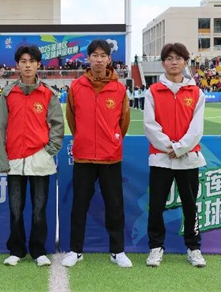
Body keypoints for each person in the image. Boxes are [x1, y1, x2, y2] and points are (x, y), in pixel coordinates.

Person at [61, 40, 132, 268]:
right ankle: (76, 250)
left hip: (110, 156)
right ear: (88, 58)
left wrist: (112, 140)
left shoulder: (119, 89)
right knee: (79, 205)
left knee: (115, 205)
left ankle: (117, 251)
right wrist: (83, 137)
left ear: (109, 59)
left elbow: (123, 122)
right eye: (95, 55)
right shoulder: (76, 87)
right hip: (83, 156)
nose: (99, 60)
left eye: (103, 56)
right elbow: (72, 119)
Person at [0, 45, 64, 267]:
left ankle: (38, 250)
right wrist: (2, 158)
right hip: (15, 158)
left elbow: (57, 125)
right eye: (23, 61)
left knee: (39, 209)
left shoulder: (47, 93)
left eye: (31, 61)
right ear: (17, 64)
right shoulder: (8, 93)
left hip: (40, 158)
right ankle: (16, 250)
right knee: (15, 209)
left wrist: (49, 150)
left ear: (38, 64)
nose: (27, 65)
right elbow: (1, 128)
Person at [143, 42, 207, 268]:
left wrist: (180, 147)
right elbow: (149, 125)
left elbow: (197, 128)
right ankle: (156, 247)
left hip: (188, 158)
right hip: (161, 158)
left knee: (190, 205)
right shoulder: (153, 91)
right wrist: (169, 146)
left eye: (178, 58)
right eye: (169, 58)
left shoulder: (196, 92)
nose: (174, 62)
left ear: (185, 62)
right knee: (156, 205)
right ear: (163, 63)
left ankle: (194, 247)